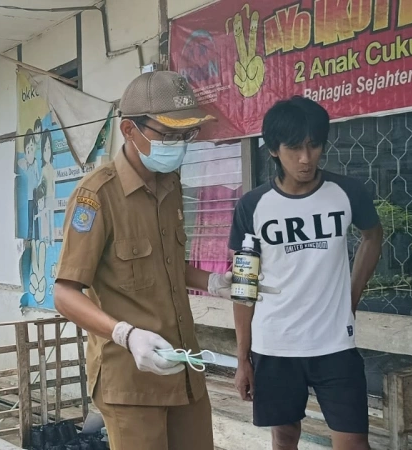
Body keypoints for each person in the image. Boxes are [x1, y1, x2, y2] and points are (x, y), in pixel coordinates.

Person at [54, 71, 273, 450]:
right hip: (131, 377)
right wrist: (127, 334)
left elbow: (164, 263)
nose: (179, 146)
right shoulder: (97, 196)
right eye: (168, 135)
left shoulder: (170, 184)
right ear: (129, 130)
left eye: (186, 136)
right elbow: (64, 293)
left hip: (184, 368)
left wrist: (213, 282)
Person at [228, 97, 383, 450]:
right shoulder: (252, 206)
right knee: (284, 438)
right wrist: (242, 359)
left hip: (335, 345)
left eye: (314, 145)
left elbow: (373, 237)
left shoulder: (347, 193)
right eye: (295, 147)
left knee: (354, 442)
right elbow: (243, 285)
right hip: (274, 346)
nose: (306, 158)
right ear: (272, 150)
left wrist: (351, 298)